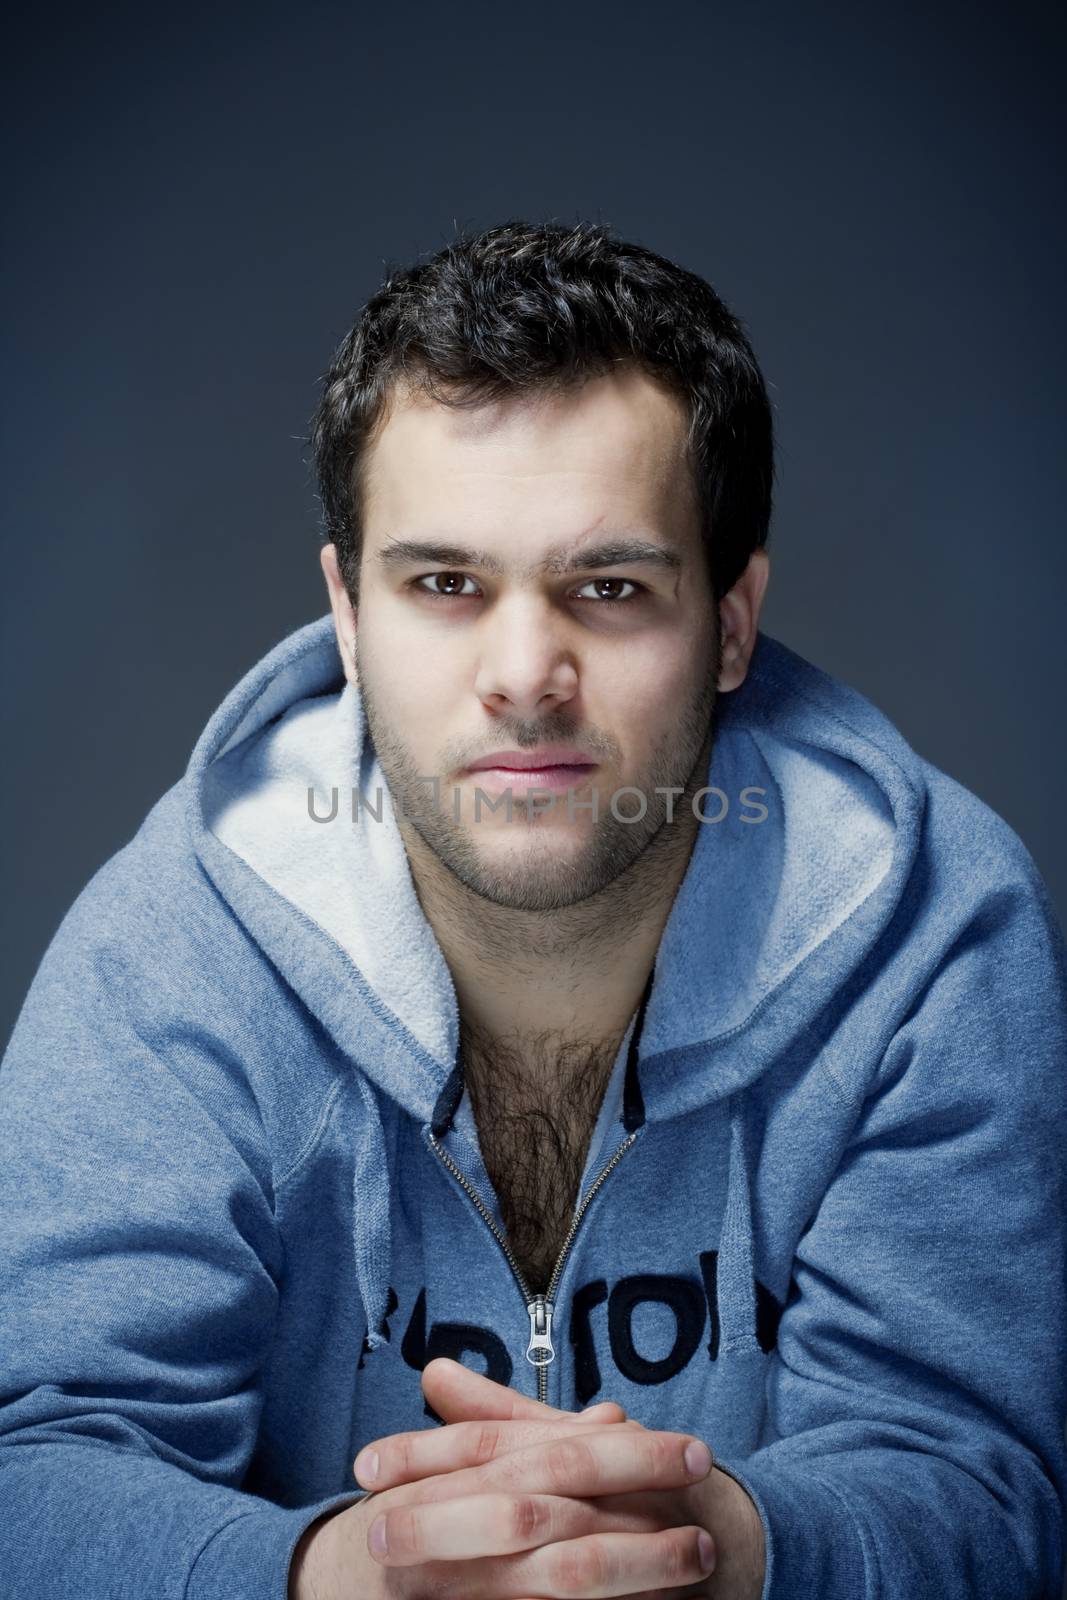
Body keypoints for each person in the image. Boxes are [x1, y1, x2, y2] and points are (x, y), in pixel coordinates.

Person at [0, 219, 1064, 1600]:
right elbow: (34, 1467)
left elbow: (984, 1485)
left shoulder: (936, 932)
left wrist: (725, 1549)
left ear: (733, 621)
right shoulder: (172, 949)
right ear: (347, 614)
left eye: (609, 589)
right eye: (445, 585)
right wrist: (339, 1574)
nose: (524, 675)